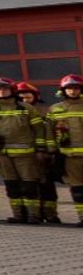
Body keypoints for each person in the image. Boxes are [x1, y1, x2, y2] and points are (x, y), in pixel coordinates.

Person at [0, 78, 44, 224]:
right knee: (11, 186)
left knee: (29, 185)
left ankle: (33, 215)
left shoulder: (26, 108)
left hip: (26, 155)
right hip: (3, 155)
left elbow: (39, 131)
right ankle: (18, 215)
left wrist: (41, 149)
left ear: (12, 90)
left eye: (5, 89)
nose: (2, 92)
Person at [19, 81, 60, 223]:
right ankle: (32, 214)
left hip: (42, 155)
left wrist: (49, 152)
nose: (25, 100)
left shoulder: (44, 111)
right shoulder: (14, 113)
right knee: (27, 186)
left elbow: (50, 133)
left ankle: (50, 214)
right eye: (21, 97)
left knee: (47, 185)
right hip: (24, 155)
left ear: (35, 96)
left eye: (28, 97)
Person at [51, 75, 83, 226]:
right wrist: (51, 151)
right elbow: (49, 133)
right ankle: (82, 216)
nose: (72, 91)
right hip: (69, 156)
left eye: (75, 88)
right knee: (77, 188)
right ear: (63, 90)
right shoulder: (55, 109)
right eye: (69, 88)